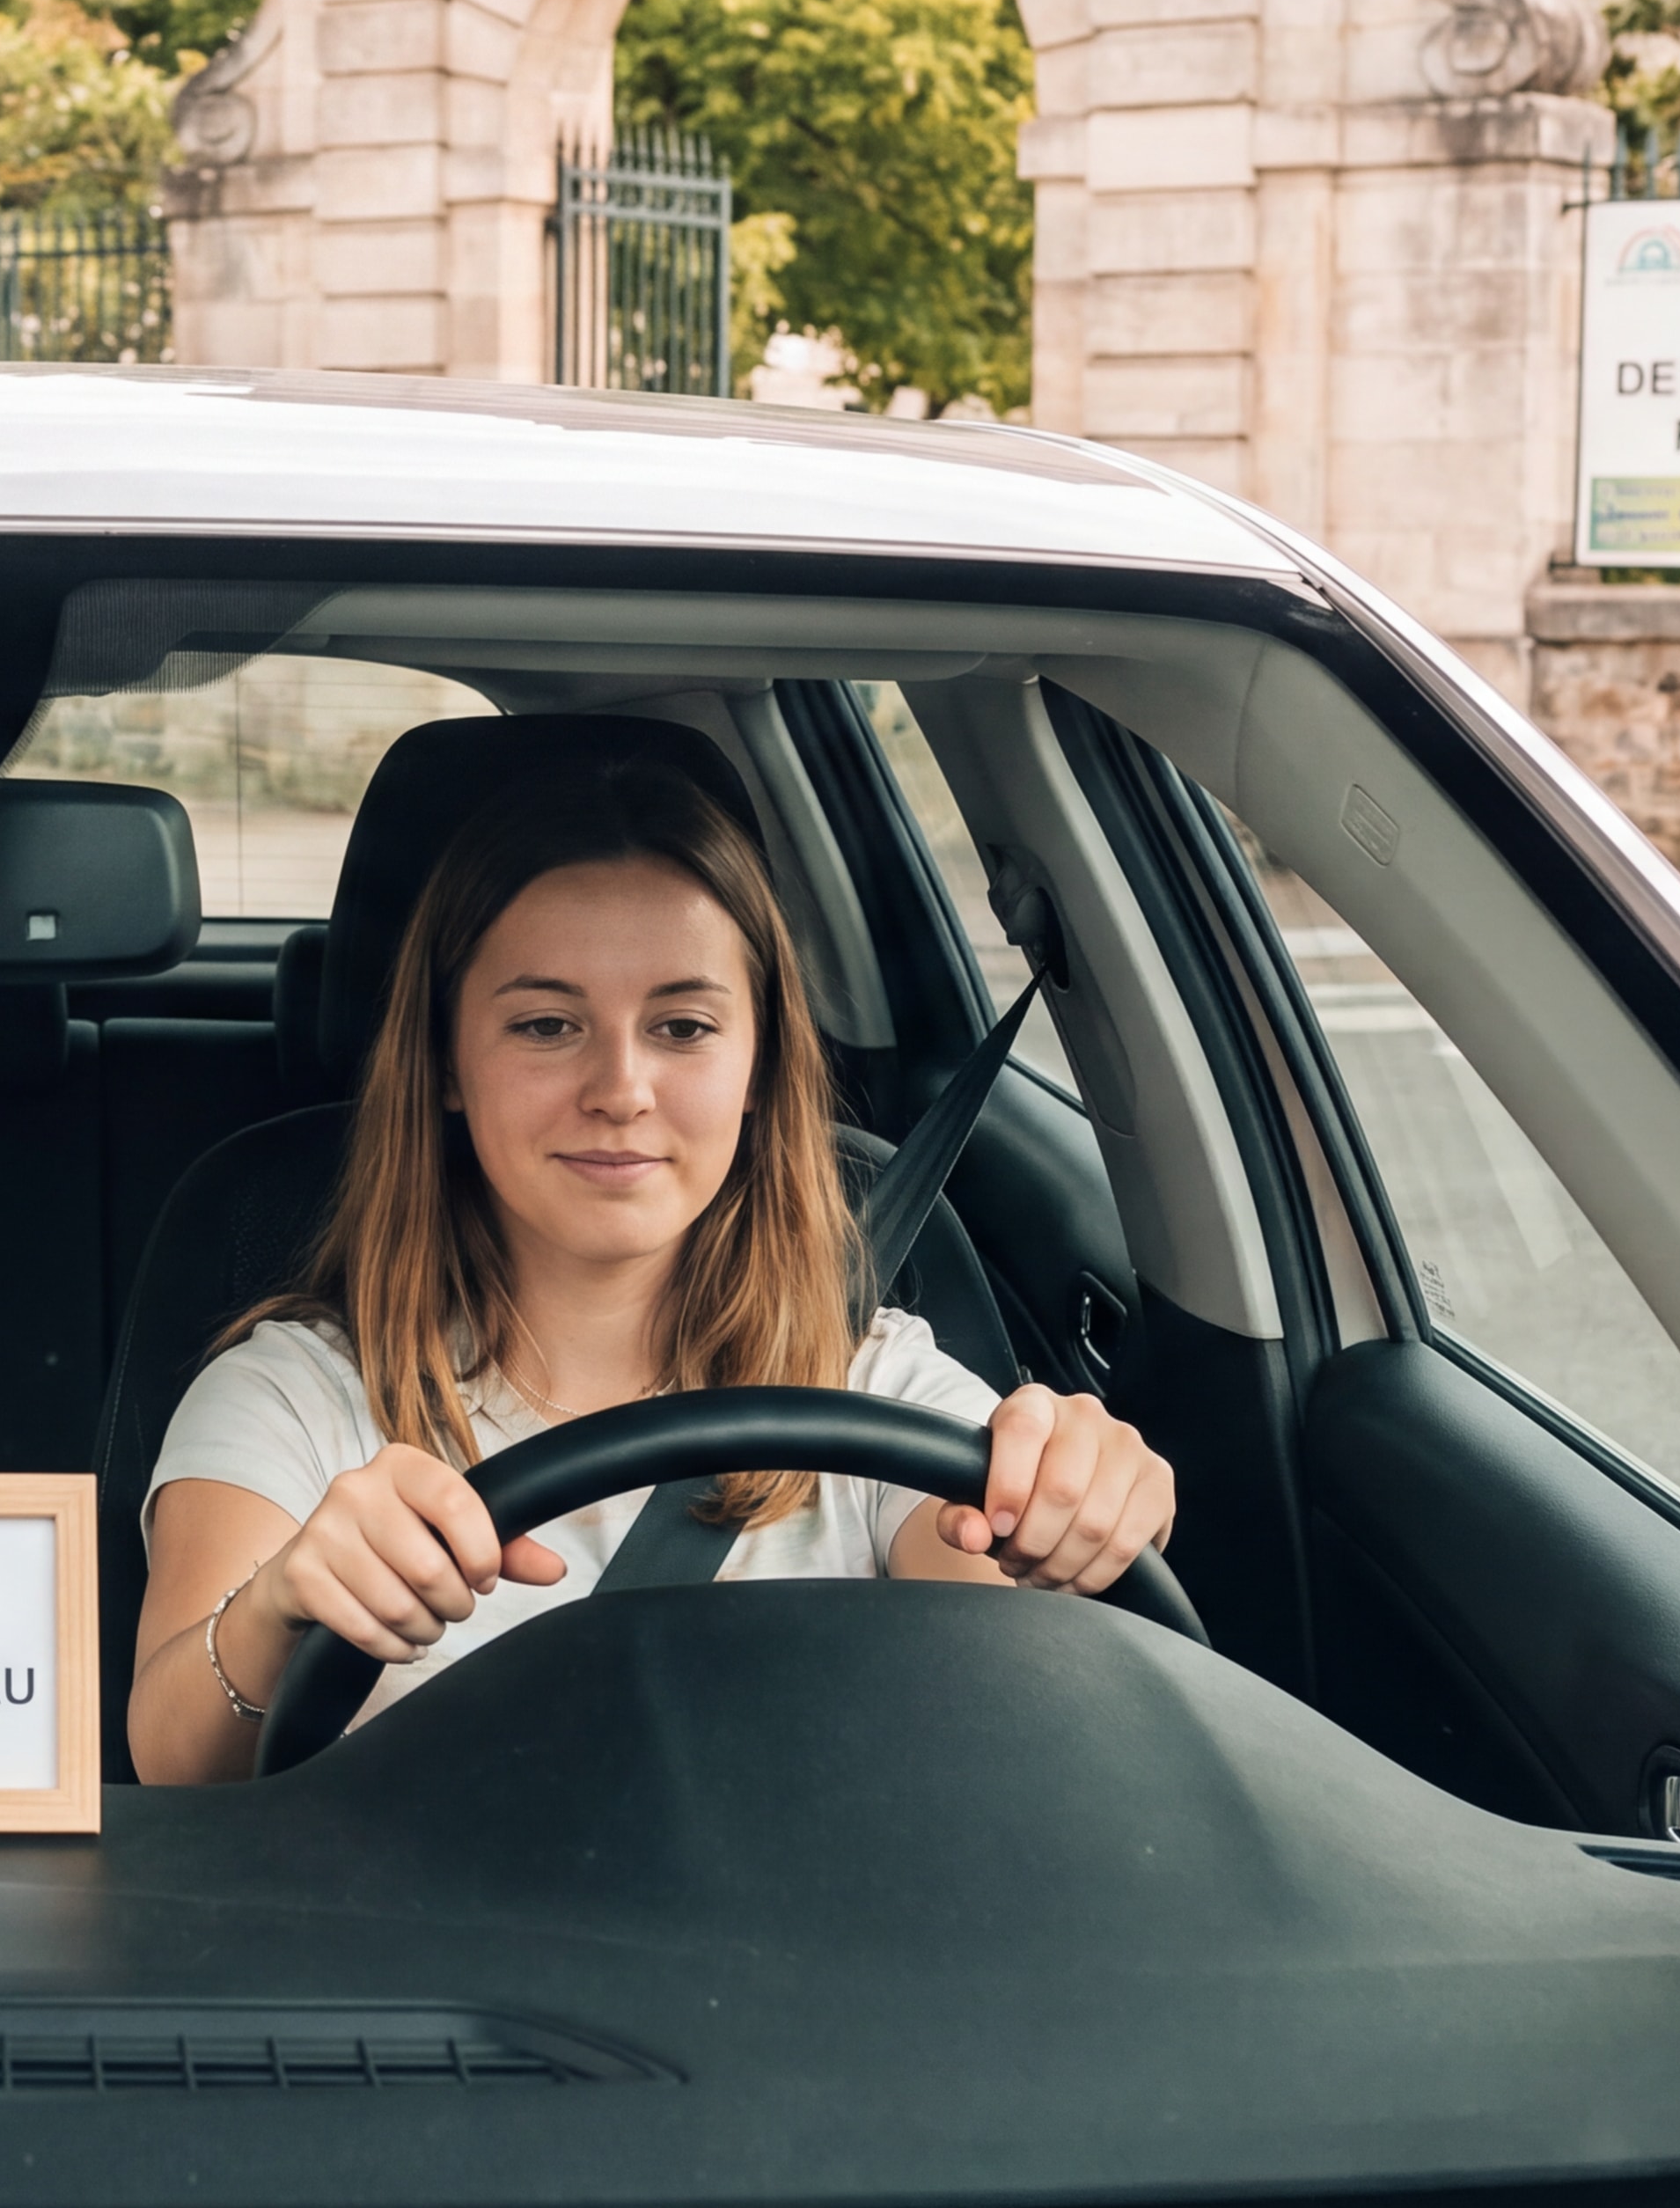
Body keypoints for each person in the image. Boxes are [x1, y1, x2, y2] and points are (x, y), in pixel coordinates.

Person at [126, 750, 1178, 1785]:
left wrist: (1064, 1520)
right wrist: (281, 1608)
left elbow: (1016, 1693)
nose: (620, 1088)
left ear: (759, 1062)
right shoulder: (296, 1395)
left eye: (682, 1027)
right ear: (447, 1060)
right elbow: (171, 1764)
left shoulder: (875, 1388)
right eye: (546, 1025)